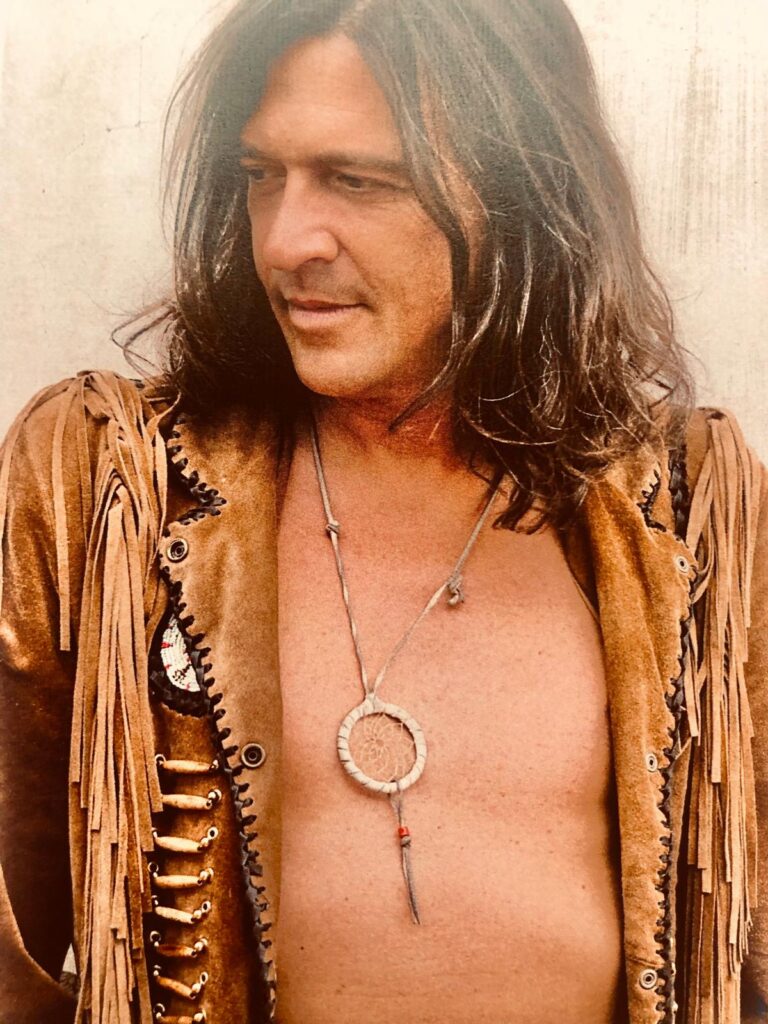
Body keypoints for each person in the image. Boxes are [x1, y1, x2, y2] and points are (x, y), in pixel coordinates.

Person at [0, 1, 765, 1022]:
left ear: (520, 189)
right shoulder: (108, 488)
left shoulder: (693, 512)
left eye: (357, 181)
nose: (286, 241)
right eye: (261, 175)